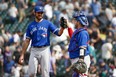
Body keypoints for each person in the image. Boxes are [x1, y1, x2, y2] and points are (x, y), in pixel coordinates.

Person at [19, 5, 66, 77]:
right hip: (34, 50)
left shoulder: (47, 23)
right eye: (38, 12)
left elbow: (58, 33)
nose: (40, 14)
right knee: (31, 73)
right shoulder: (30, 26)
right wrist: (22, 54)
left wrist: (62, 28)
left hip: (45, 49)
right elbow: (27, 41)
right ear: (34, 13)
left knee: (45, 74)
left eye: (41, 12)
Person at [67, 11, 91, 77]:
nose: (74, 22)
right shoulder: (78, 32)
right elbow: (73, 37)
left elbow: (82, 47)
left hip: (81, 59)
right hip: (77, 59)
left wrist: (81, 61)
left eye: (75, 20)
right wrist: (69, 27)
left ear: (79, 22)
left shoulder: (82, 33)